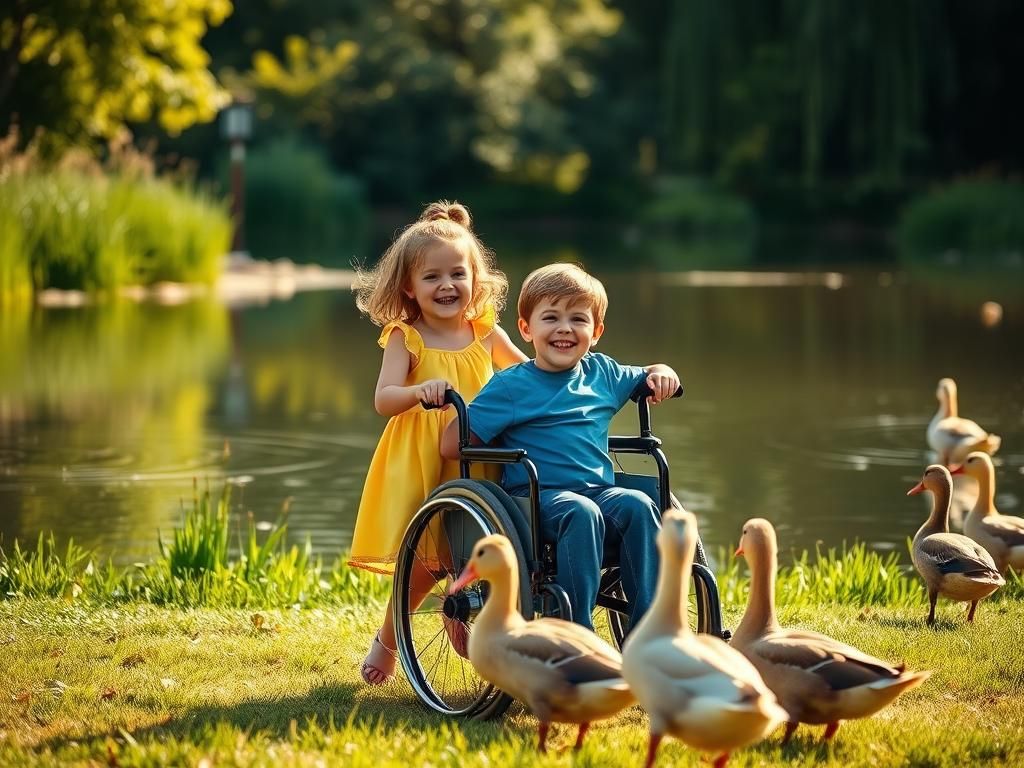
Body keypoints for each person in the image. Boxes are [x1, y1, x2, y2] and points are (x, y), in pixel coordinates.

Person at [440, 262, 679, 631]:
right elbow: (452, 444)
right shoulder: (511, 386)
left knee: (638, 504)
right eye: (550, 318)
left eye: (578, 319)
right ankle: (573, 631)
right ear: (526, 329)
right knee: (580, 512)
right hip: (536, 499)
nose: (565, 328)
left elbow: (648, 373)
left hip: (598, 491)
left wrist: (663, 372)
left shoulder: (603, 373)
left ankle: (648, 630)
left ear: (596, 332)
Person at [349, 200, 527, 685]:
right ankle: (387, 642)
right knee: (426, 561)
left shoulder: (485, 331)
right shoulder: (406, 337)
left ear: (475, 278)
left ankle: (461, 607)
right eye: (432, 277)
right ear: (409, 286)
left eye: (457, 274)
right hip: (424, 458)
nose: (447, 285)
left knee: (473, 549)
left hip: (478, 453)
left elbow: (525, 374)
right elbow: (384, 399)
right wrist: (418, 391)